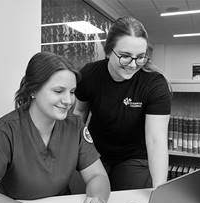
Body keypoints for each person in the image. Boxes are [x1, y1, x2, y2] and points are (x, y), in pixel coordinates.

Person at [0, 52, 110, 203]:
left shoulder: (75, 126)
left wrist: (97, 199)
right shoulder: (6, 130)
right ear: (33, 90)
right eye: (58, 91)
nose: (68, 101)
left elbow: (97, 175)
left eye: (72, 92)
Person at [74, 16, 172, 191]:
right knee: (87, 202)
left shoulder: (155, 84)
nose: (133, 65)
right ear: (108, 51)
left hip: (134, 156)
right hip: (95, 152)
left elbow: (156, 140)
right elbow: (78, 115)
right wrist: (72, 153)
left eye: (141, 57)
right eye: (125, 56)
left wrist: (159, 191)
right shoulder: (90, 74)